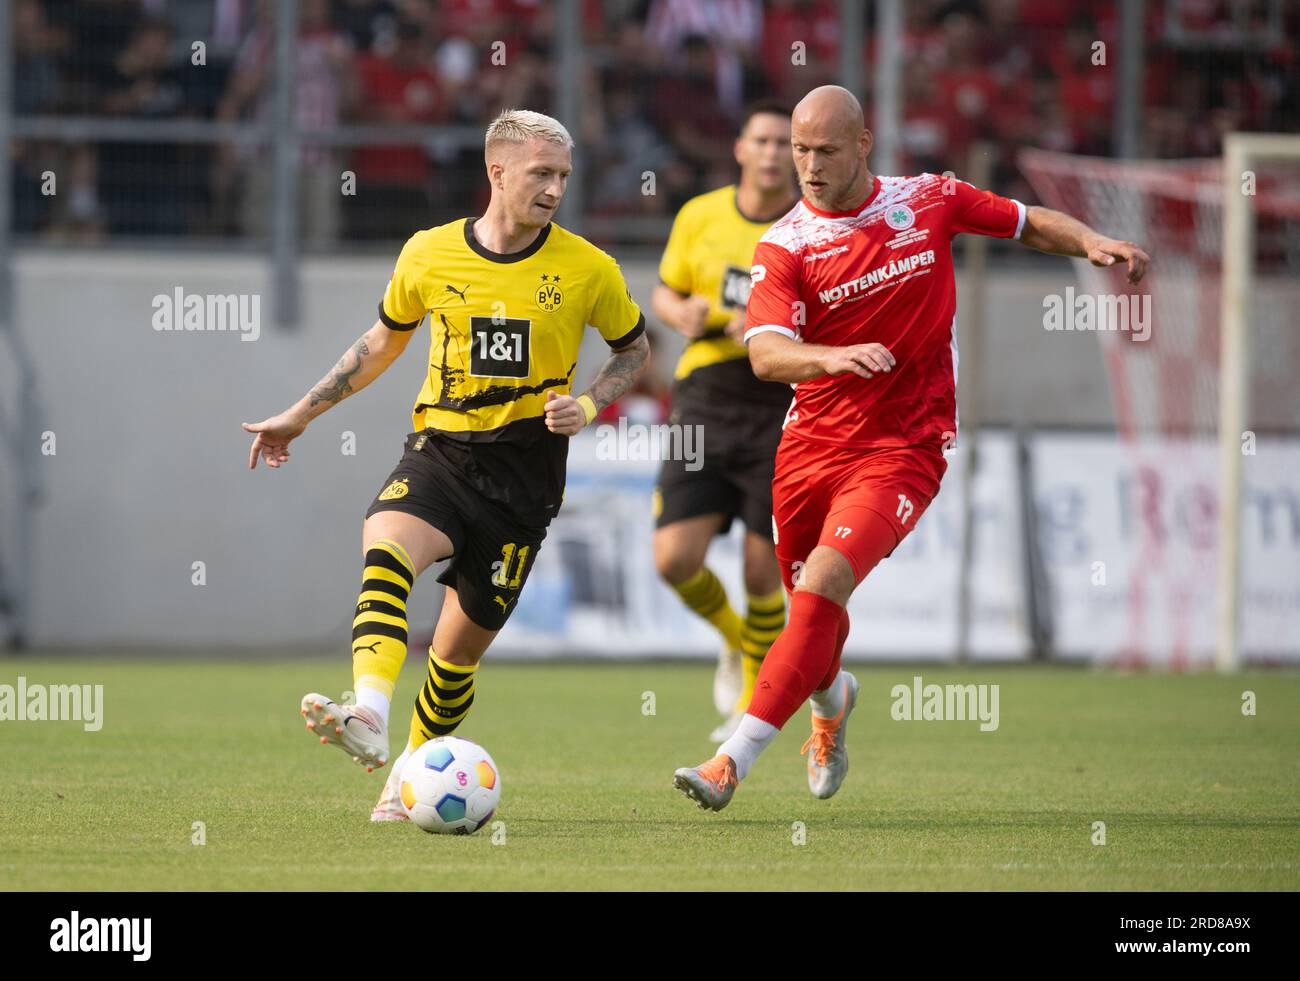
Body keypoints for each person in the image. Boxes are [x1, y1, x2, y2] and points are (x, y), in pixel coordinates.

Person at [673, 85, 1149, 811]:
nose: (808, 164)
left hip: (905, 443)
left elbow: (1023, 223)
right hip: (808, 449)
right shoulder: (787, 243)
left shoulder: (927, 199)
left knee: (824, 582)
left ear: (863, 145)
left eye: (825, 150)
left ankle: (730, 759)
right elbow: (767, 354)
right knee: (812, 603)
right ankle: (831, 702)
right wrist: (827, 358)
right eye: (800, 149)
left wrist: (1088, 240)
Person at [243, 109, 649, 823]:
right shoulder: (428, 253)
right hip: (440, 453)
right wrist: (302, 412)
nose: (554, 189)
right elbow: (381, 342)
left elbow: (635, 349)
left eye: (562, 176)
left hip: (525, 476)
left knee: (456, 656)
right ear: (497, 172)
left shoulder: (590, 268)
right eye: (540, 174)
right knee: (386, 542)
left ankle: (406, 779)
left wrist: (588, 406)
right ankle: (368, 711)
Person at [650, 100, 799, 742]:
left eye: (783, 143)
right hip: (705, 395)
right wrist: (681, 312)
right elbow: (664, 290)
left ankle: (754, 698)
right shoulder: (700, 215)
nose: (772, 153)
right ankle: (736, 642)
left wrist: (773, 329)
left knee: (763, 569)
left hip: (778, 398)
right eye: (762, 140)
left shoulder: (808, 225)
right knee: (673, 558)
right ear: (740, 148)